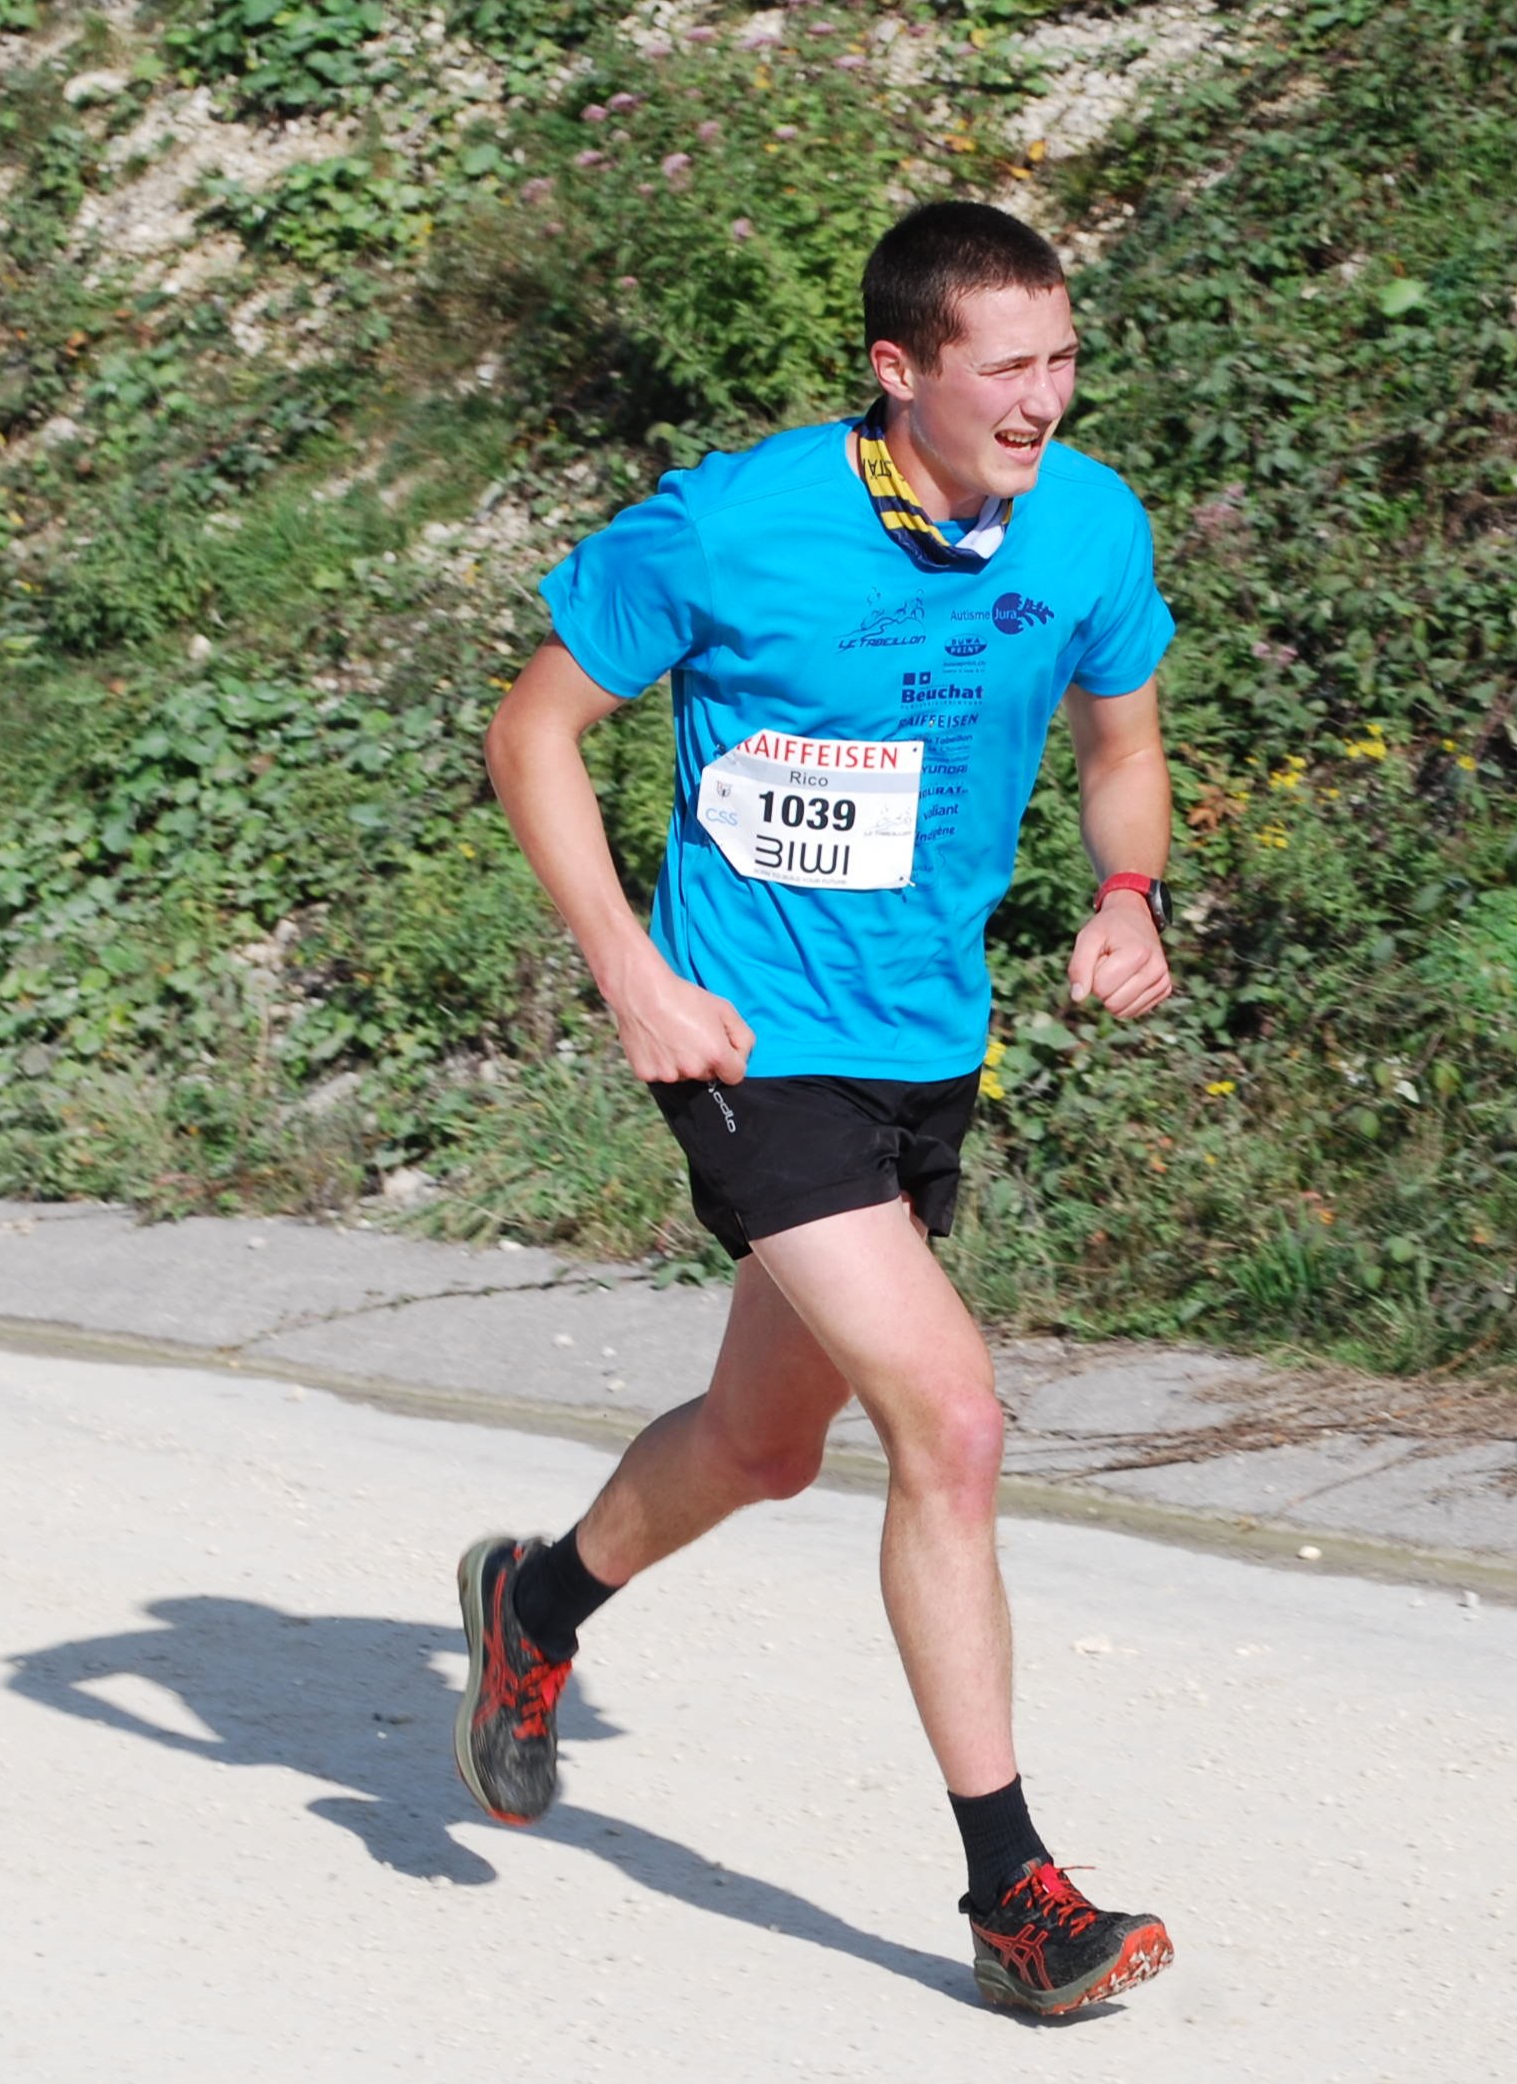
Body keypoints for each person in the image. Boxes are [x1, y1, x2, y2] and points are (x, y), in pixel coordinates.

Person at [461, 200, 1180, 2016]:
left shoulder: (1086, 523)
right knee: (952, 1420)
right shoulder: (731, 526)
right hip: (745, 1040)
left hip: (925, 1041)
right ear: (897, 371)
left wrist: (1126, 895)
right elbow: (531, 733)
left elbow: (1122, 744)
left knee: (764, 1445)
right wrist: (630, 969)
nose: (1042, 400)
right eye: (1003, 368)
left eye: (1062, 359)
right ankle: (1015, 1896)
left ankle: (536, 1606)